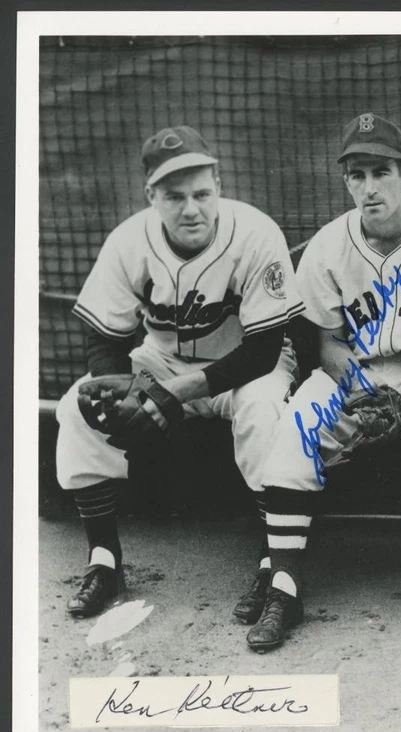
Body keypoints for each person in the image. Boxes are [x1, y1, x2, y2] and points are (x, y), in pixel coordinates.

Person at [247, 113, 401, 654]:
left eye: (381, 171)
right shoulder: (327, 244)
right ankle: (284, 587)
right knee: (295, 431)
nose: (369, 187)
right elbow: (326, 342)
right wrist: (361, 389)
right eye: (356, 175)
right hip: (353, 376)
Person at [56, 125, 304, 618]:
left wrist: (169, 394)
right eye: (174, 196)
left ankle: (273, 565)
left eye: (201, 194)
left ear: (219, 186)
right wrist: (123, 387)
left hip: (247, 364)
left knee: (263, 411)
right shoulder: (129, 240)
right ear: (151, 196)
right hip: (162, 361)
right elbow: (103, 337)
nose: (191, 208)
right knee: (77, 407)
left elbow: (262, 349)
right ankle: (104, 560)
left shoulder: (256, 234)